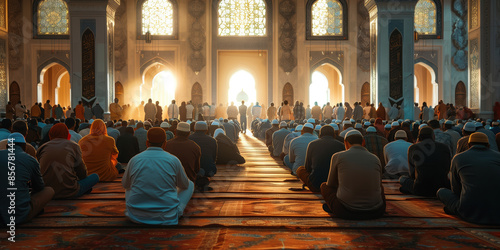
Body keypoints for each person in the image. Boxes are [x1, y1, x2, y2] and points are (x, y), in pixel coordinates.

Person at [122, 127, 194, 225]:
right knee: (190, 185)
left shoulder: (134, 160)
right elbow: (184, 185)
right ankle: (176, 210)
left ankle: (136, 207)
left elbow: (125, 185)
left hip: (135, 216)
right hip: (167, 217)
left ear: (147, 143)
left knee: (129, 186)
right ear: (165, 144)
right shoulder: (173, 160)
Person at [437, 132, 500, 225]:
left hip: (469, 213)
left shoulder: (458, 158)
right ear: (488, 145)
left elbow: (456, 189)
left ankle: (455, 209)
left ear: (469, 145)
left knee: (441, 191)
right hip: (497, 214)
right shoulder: (498, 156)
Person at [321, 130, 385, 219]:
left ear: (345, 143)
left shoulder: (337, 156)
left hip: (346, 211)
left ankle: (332, 206)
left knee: (324, 186)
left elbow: (330, 184)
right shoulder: (375, 158)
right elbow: (379, 184)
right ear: (363, 142)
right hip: (376, 211)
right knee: (380, 187)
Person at [0, 133, 55, 225]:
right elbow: (39, 187)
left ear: (7, 146)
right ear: (25, 147)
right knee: (49, 190)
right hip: (19, 215)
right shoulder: (31, 160)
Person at [37, 123, 99, 199]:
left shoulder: (43, 147)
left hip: (48, 192)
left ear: (50, 134)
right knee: (95, 176)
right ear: (66, 134)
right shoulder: (74, 146)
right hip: (70, 191)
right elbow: (82, 172)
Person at [400, 127, 451, 196]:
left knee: (402, 179)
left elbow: (412, 174)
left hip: (420, 189)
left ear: (419, 137)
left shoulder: (413, 148)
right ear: (433, 136)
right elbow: (447, 169)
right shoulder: (444, 147)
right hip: (441, 187)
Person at [297, 125, 345, 192]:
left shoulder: (312, 144)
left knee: (300, 169)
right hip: (334, 186)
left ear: (320, 135)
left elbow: (307, 167)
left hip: (315, 184)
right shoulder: (341, 145)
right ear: (334, 135)